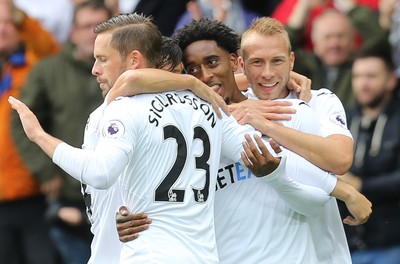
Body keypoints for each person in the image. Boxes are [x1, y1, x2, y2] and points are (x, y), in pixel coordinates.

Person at [11, 12, 317, 263]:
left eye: (102, 59)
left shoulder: (119, 109)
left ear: (133, 60)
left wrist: (39, 136)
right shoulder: (206, 106)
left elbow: (100, 172)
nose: (94, 69)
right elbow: (263, 155)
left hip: (141, 254)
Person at [112, 17, 371, 263]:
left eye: (277, 61)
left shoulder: (302, 104)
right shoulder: (193, 123)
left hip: (319, 255)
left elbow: (336, 162)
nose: (268, 73)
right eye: (257, 62)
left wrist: (258, 120)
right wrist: (125, 211)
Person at [11, 1, 112, 263]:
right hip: (71, 194)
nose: (92, 34)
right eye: (86, 27)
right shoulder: (48, 70)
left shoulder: (130, 72)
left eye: (100, 28)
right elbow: (20, 121)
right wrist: (46, 172)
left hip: (119, 196)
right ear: (72, 32)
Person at [0, 0, 60, 263]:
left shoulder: (36, 66)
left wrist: (20, 17)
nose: (2, 29)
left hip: (33, 193)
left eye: (7, 24)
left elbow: (51, 51)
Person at [338, 47, 400, 263]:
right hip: (347, 245)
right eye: (357, 76)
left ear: (391, 80)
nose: (363, 84)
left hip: (392, 244)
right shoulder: (341, 118)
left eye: (371, 76)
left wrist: (360, 185)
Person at [288, 1, 387, 109]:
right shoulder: (305, 66)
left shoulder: (360, 67)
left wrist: (348, 6)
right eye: (327, 37)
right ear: (315, 41)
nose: (334, 44)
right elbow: (280, 50)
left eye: (340, 36)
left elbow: (380, 41)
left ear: (352, 40)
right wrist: (304, 5)